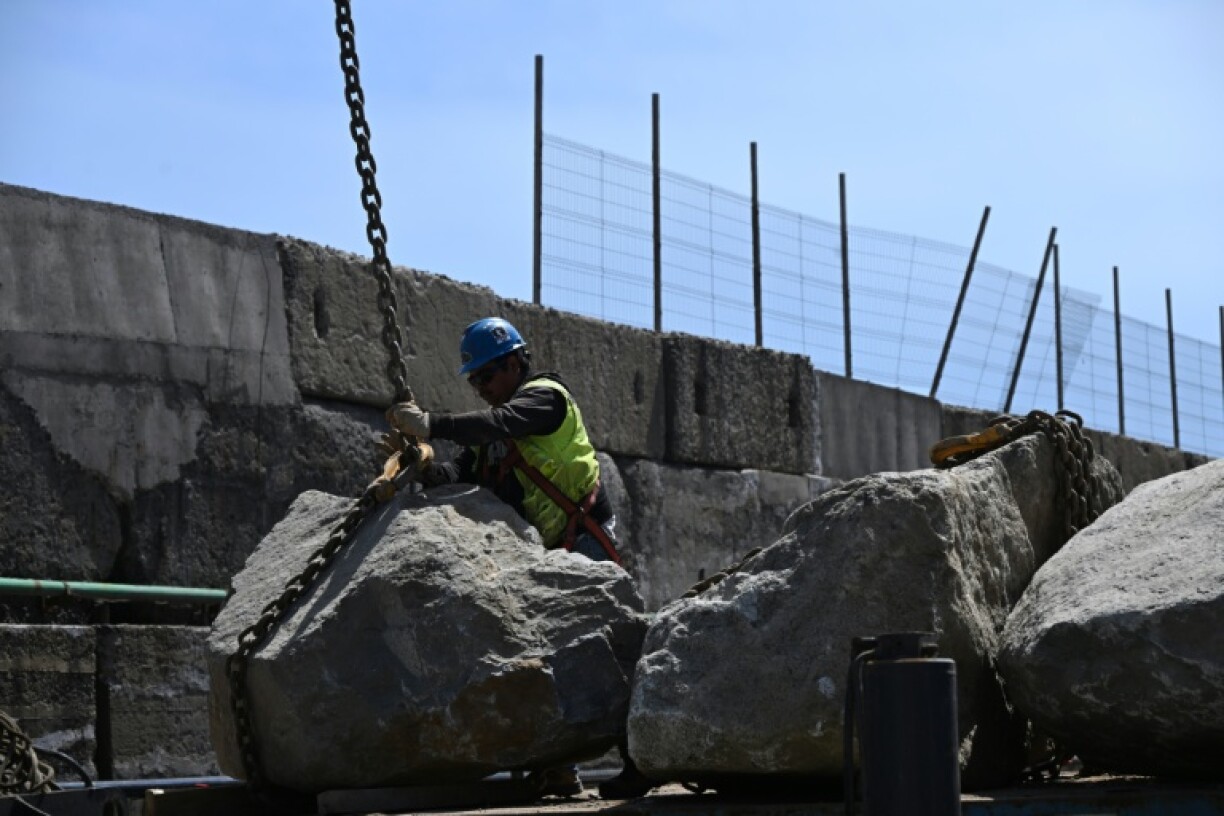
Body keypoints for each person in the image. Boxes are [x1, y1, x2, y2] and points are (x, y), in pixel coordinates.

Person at [384, 317, 654, 800]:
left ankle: (641, 762)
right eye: (475, 381)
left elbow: (503, 422)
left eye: (486, 377)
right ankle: (560, 769)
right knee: (554, 660)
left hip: (586, 541)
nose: (481, 389)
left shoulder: (545, 398)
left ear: (513, 363)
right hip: (550, 554)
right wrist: (422, 468)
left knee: (611, 655)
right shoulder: (494, 435)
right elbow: (462, 474)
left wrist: (435, 425)